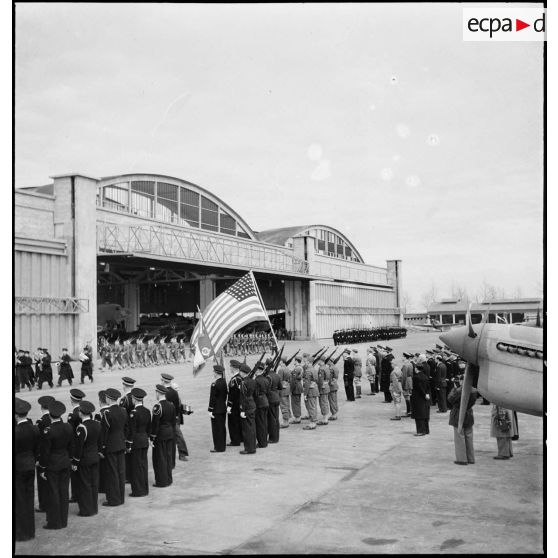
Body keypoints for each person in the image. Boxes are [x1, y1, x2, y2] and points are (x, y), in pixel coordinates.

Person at [38, 400, 73, 530]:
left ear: (50, 415)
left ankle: (54, 522)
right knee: (64, 492)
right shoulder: (68, 427)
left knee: (53, 493)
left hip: (53, 465)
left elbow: (45, 452)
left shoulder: (48, 430)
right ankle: (63, 520)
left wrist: (42, 467)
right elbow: (71, 446)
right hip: (65, 462)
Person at [15, 398, 40, 542]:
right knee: (29, 498)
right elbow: (37, 447)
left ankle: (22, 533)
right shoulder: (34, 428)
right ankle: (31, 531)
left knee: (19, 500)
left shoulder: (16, 431)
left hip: (18, 467)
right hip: (30, 465)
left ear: (16, 415)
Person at [71, 400, 101, 516]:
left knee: (85, 485)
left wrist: (75, 462)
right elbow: (99, 442)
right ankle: (94, 508)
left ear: (81, 413)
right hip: (94, 457)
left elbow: (79, 447)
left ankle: (86, 510)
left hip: (85, 460)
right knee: (94, 484)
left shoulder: (81, 427)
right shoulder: (97, 424)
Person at [100, 388, 127, 506]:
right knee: (121, 472)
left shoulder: (107, 413)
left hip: (111, 445)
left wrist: (102, 448)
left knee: (112, 473)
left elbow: (104, 432)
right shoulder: (123, 410)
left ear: (108, 399)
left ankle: (114, 499)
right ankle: (121, 498)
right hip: (121, 443)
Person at [447, 377, 480, 465]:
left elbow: (450, 399)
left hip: (458, 413)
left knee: (459, 437)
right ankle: (470, 458)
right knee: (469, 436)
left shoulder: (459, 391)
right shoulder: (474, 391)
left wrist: (454, 388)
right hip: (469, 413)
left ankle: (461, 459)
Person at [151, 384, 176, 487]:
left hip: (160, 435)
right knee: (168, 457)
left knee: (160, 459)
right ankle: (169, 479)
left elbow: (155, 424)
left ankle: (162, 481)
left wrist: (152, 437)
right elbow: (173, 421)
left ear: (158, 393)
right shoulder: (171, 405)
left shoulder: (158, 406)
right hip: (170, 433)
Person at [128, 387, 151, 497]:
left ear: (134, 399)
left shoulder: (133, 413)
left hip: (136, 442)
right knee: (143, 465)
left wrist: (129, 444)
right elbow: (149, 428)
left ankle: (138, 491)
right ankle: (145, 489)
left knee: (136, 467)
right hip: (144, 440)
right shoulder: (147, 411)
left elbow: (132, 431)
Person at [161, 373, 189, 464]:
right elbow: (176, 406)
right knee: (175, 436)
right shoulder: (173, 393)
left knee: (178, 435)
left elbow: (174, 406)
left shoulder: (167, 393)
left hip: (172, 418)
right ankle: (178, 454)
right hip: (175, 417)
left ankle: (182, 453)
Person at [35, 395, 55, 513]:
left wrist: (38, 458)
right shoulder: (57, 418)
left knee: (42, 484)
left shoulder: (41, 422)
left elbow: (38, 443)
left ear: (42, 408)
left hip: (43, 456)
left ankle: (44, 505)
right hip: (54, 456)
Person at [67, 388, 86, 504]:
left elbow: (70, 434)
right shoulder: (85, 410)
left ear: (72, 400)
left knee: (74, 473)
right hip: (84, 444)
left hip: (74, 446)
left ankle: (75, 495)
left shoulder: (72, 415)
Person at [208, 364, 228, 452]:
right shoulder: (224, 382)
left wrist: (210, 409)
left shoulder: (214, 384)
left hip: (216, 409)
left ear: (216, 373)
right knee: (222, 428)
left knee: (217, 429)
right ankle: (222, 446)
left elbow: (212, 398)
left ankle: (219, 447)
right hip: (223, 407)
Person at [238, 363, 257, 454]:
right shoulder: (253, 381)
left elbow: (243, 397)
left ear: (243, 372)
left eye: (240, 371)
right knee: (252, 427)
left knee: (247, 429)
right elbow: (255, 394)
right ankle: (252, 447)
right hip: (252, 404)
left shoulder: (243, 382)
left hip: (246, 407)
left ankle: (249, 448)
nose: (239, 373)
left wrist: (242, 409)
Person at [411, 355, 431, 436]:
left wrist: (424, 394)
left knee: (419, 415)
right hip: (425, 397)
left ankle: (420, 431)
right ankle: (426, 430)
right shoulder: (425, 377)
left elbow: (419, 388)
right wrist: (427, 395)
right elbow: (427, 387)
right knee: (425, 414)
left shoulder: (416, 378)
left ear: (416, 369)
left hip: (418, 398)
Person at [226, 360, 243, 446]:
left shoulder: (235, 379)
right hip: (239, 403)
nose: (230, 368)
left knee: (233, 423)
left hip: (234, 404)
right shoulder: (240, 377)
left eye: (230, 366)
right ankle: (240, 438)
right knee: (239, 422)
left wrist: (229, 405)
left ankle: (235, 441)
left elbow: (232, 394)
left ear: (233, 367)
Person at [254, 363, 270, 448]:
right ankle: (264, 440)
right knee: (264, 422)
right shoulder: (266, 379)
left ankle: (261, 442)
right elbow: (267, 391)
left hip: (259, 403)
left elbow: (255, 393)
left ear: (258, 370)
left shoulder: (256, 380)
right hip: (265, 401)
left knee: (259, 424)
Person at [302, 358, 320, 431]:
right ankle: (314, 421)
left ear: (309, 362)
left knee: (311, 407)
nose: (305, 363)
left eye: (305, 361)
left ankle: (312, 423)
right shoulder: (314, 369)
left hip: (310, 391)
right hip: (315, 389)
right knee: (314, 406)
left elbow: (307, 383)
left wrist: (305, 394)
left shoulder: (308, 371)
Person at [267, 363, 282, 443]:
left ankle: (273, 438)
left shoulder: (268, 376)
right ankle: (276, 436)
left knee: (272, 419)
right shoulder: (277, 375)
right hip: (276, 397)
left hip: (271, 398)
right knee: (276, 418)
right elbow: (280, 387)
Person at [277, 356, 292, 428]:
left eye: (279, 361)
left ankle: (285, 421)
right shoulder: (287, 368)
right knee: (287, 404)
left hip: (282, 389)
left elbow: (279, 381)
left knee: (283, 405)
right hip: (287, 387)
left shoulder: (281, 370)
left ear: (282, 361)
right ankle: (288, 418)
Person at [317, 356, 331, 425]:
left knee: (323, 403)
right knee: (325, 402)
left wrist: (318, 390)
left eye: (318, 360)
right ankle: (326, 417)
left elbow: (320, 381)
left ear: (321, 361)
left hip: (322, 388)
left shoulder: (321, 369)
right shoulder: (326, 367)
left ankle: (325, 419)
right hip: (326, 386)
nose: (317, 361)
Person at [289, 356, 303, 424]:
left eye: (294, 361)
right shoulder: (300, 368)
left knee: (295, 403)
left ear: (296, 361)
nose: (294, 362)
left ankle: (297, 418)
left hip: (295, 387)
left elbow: (293, 380)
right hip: (299, 386)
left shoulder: (296, 369)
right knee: (297, 402)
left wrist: (291, 389)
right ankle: (298, 416)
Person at [400, 353, 414, 417]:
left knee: (407, 397)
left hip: (406, 381)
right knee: (408, 396)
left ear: (405, 357)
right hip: (409, 380)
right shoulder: (410, 363)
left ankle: (409, 411)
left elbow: (404, 376)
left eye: (403, 357)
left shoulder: (405, 365)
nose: (402, 358)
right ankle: (410, 411)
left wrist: (402, 385)